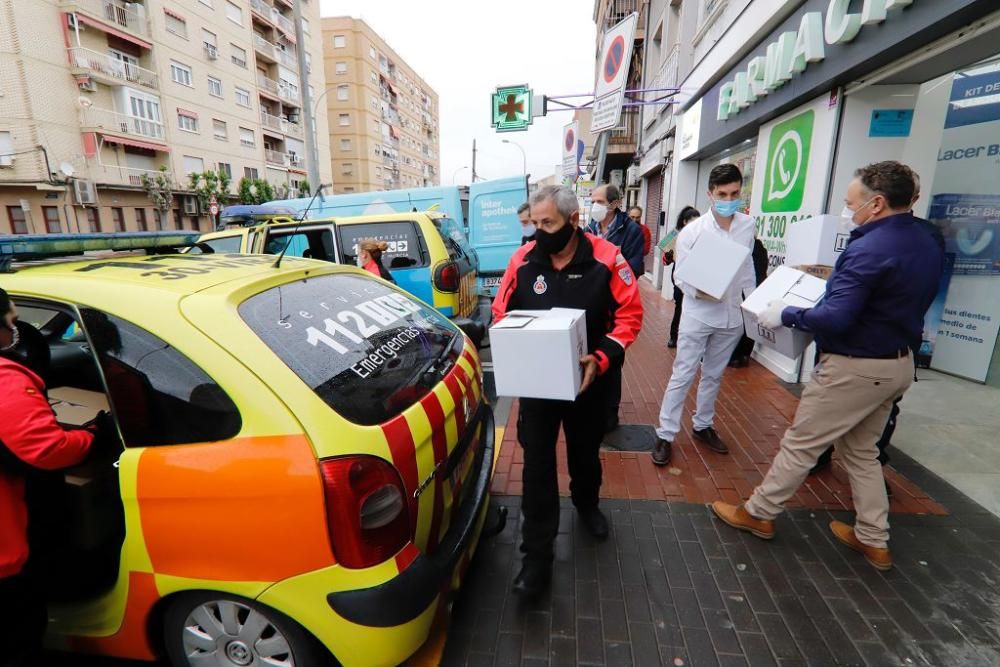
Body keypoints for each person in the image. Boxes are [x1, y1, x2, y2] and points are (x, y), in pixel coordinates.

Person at [711, 161, 945, 572]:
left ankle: (759, 513)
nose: (846, 210)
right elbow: (878, 295)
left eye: (850, 203)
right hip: (897, 363)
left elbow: (837, 317)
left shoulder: (869, 248)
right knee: (861, 453)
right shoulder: (926, 237)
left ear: (876, 204)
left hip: (855, 367)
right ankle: (874, 539)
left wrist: (787, 314)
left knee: (801, 444)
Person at [493, 185, 643, 597]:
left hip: (590, 382)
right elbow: (500, 311)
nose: (539, 232)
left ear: (574, 220)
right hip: (539, 385)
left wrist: (602, 356)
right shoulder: (522, 260)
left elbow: (630, 315)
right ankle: (535, 560)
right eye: (535, 224)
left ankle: (586, 503)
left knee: (583, 453)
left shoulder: (607, 259)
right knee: (537, 467)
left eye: (549, 224)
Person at [0, 288, 99, 665]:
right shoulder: (5, 379)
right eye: (11, 323)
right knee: (18, 633)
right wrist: (91, 436)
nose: (15, 333)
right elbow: (47, 449)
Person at [652, 165, 756, 466]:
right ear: (710, 194)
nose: (728, 199)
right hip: (698, 313)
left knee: (714, 373)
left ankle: (702, 425)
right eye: (722, 194)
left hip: (732, 315)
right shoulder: (692, 232)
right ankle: (666, 433)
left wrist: (752, 301)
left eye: (734, 193)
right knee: (683, 373)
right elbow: (681, 276)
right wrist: (703, 291)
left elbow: (747, 267)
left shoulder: (747, 225)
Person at [586, 184, 645, 432]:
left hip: (616, 305)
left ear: (614, 204)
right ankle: (591, 408)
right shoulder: (589, 228)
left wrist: (608, 269)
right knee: (591, 357)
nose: (594, 206)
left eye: (599, 201)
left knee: (612, 360)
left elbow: (635, 266)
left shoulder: (631, 230)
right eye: (593, 201)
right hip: (591, 303)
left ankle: (610, 413)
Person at [729, 237, 770, 367]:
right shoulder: (761, 248)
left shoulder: (745, 248)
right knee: (750, 323)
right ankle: (745, 355)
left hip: (745, 289)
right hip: (757, 290)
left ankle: (735, 356)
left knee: (740, 323)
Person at [663, 206, 701, 348]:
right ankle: (674, 336)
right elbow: (665, 261)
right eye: (693, 221)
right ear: (685, 221)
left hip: (697, 276)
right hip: (679, 275)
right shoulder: (675, 235)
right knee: (680, 307)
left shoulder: (702, 235)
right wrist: (668, 256)